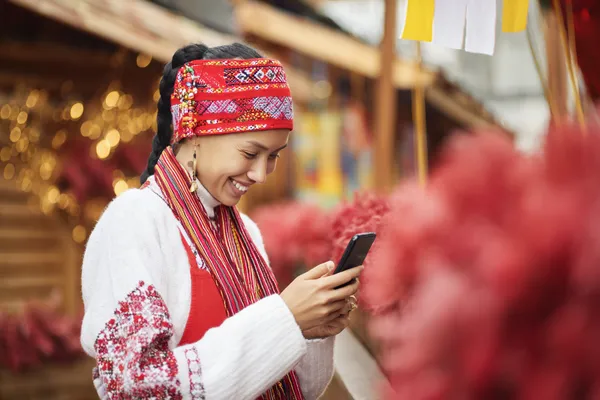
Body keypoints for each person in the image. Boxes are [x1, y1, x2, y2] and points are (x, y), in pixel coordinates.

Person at [80, 43, 362, 400]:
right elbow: (137, 388)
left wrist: (313, 329)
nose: (261, 173)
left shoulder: (245, 233)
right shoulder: (133, 223)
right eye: (250, 153)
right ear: (195, 132)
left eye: (274, 156)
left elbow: (291, 388)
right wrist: (284, 318)